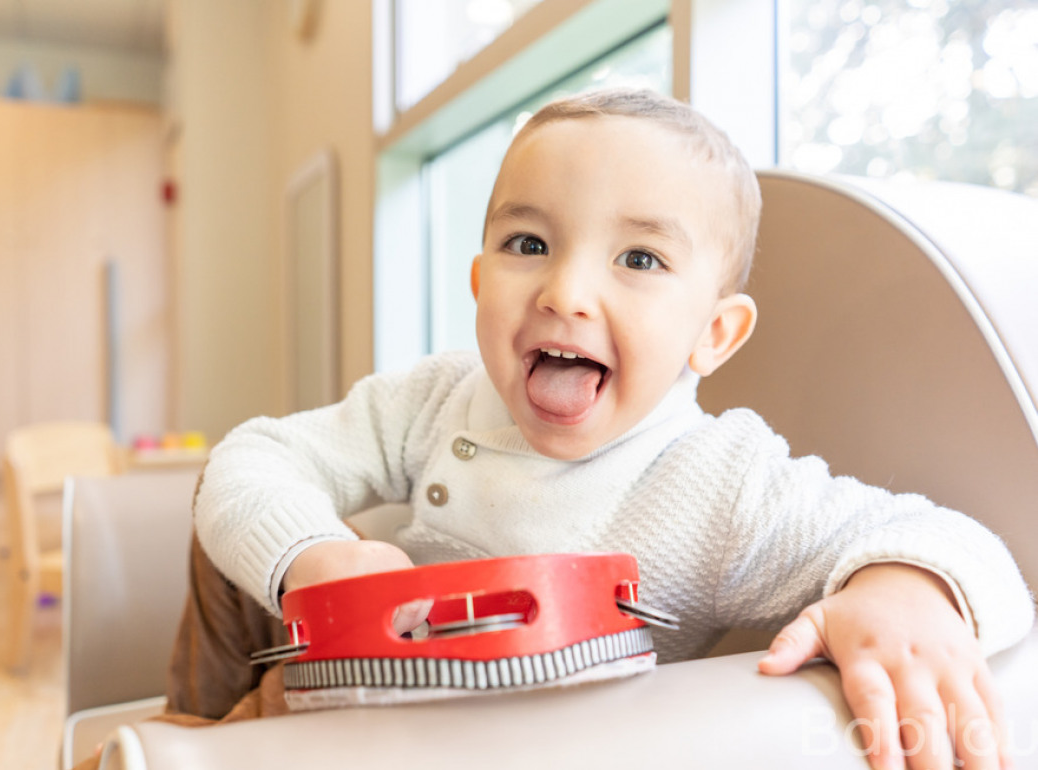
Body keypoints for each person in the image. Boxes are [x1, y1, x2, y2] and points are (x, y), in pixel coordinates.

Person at [164, 87, 1035, 770]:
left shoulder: (721, 479)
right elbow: (257, 453)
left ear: (714, 334)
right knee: (237, 501)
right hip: (334, 690)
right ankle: (189, 722)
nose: (565, 293)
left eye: (640, 259)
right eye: (529, 245)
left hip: (509, 749)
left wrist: (903, 591)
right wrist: (314, 560)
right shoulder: (439, 398)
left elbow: (957, 543)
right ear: (478, 281)